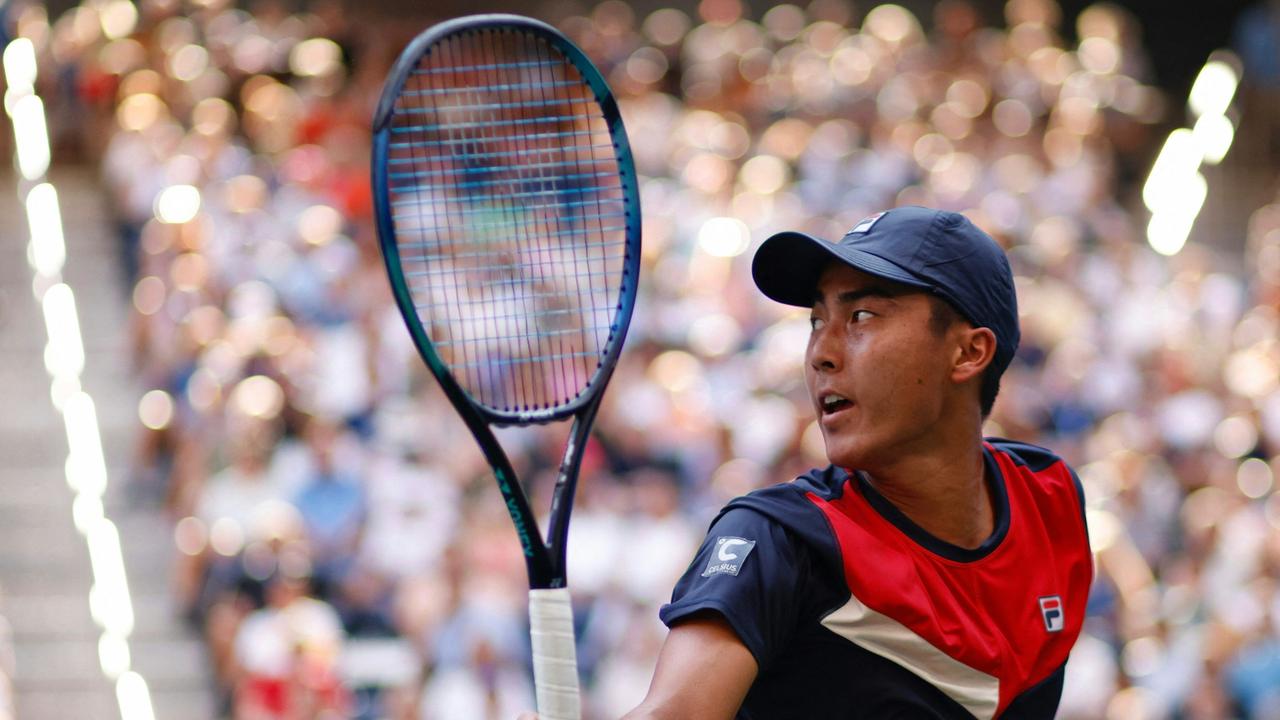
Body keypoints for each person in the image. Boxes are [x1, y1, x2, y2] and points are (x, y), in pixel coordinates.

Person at [619, 206, 1094, 719]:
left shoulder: (1052, 498)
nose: (820, 352)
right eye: (816, 321)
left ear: (967, 353)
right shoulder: (779, 540)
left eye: (861, 316)